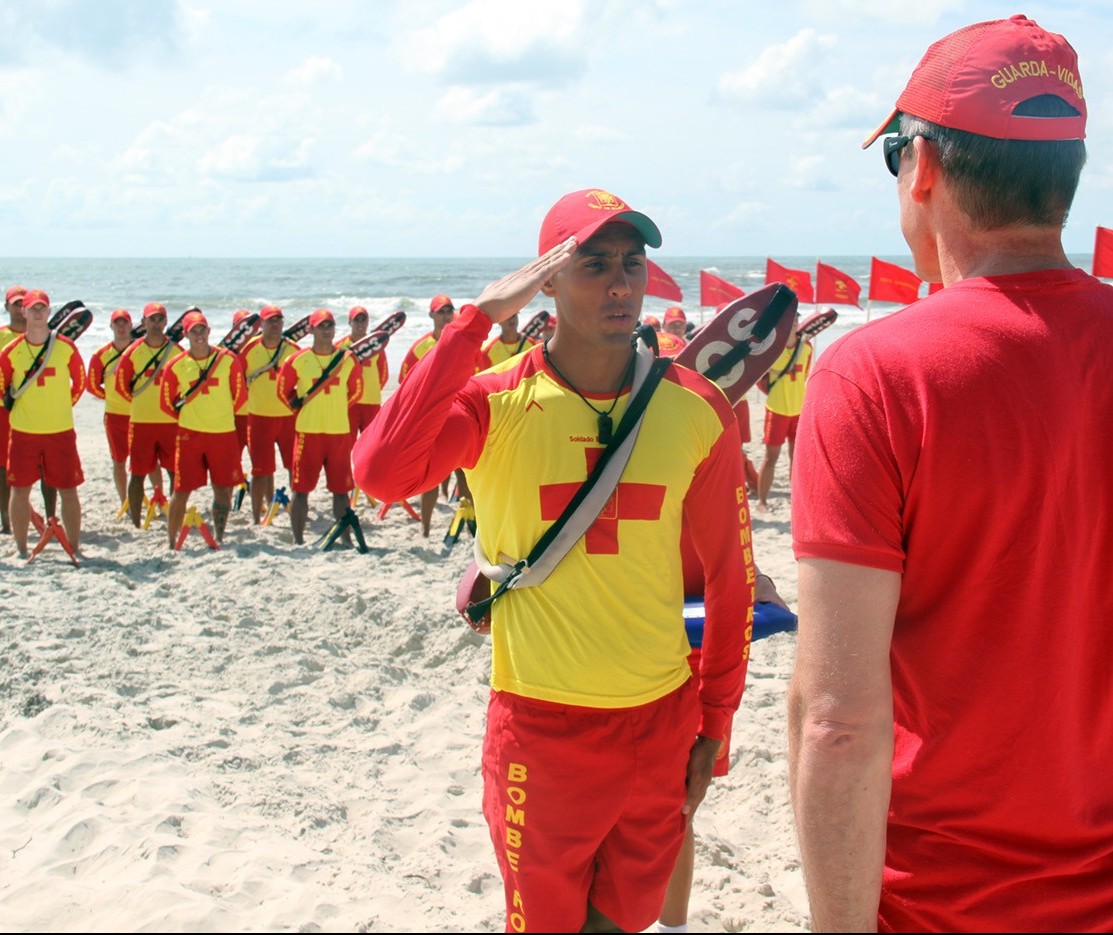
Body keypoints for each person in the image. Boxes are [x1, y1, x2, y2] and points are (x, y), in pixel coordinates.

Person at [352, 187, 753, 933]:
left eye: (631, 264)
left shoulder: (695, 406)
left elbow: (730, 580)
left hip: (660, 722)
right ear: (548, 281)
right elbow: (379, 471)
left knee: (622, 923)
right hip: (541, 729)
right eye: (593, 264)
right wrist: (477, 321)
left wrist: (714, 727)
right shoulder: (495, 402)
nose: (618, 284)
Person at [787, 16, 1113, 933]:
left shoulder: (878, 375)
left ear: (921, 164)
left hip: (938, 903)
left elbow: (837, 719)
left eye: (893, 154)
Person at [0, 290, 85, 559]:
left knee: (68, 490)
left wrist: (61, 405)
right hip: (23, 432)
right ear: (22, 312)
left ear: (49, 312)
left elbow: (79, 383)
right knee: (20, 490)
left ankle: (74, 546)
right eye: (32, 308)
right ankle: (22, 549)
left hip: (60, 431)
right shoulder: (11, 351)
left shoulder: (65, 347)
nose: (37, 313)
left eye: (42, 308)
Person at [159, 310, 248, 547]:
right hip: (191, 435)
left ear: (209, 331)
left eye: (203, 330)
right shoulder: (176, 365)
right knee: (181, 489)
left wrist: (220, 415)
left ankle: (219, 536)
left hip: (223, 434)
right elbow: (166, 403)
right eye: (193, 331)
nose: (199, 335)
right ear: (186, 334)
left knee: (223, 489)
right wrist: (190, 416)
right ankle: (172, 540)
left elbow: (239, 397)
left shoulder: (227, 359)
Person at [276, 308, 362, 546]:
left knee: (341, 491)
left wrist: (334, 407)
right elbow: (283, 392)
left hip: (338, 433)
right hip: (308, 432)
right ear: (311, 329)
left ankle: (345, 539)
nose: (326, 330)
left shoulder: (347, 359)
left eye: (330, 325)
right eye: (321, 326)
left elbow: (356, 392)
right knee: (301, 490)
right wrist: (304, 409)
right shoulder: (297, 360)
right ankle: (298, 539)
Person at [397, 293, 475, 537]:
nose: (445, 315)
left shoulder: (464, 342)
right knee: (430, 476)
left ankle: (473, 525)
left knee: (466, 475)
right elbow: (404, 381)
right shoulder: (420, 347)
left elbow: (480, 374)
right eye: (440, 311)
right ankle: (426, 529)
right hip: (431, 419)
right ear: (431, 315)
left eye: (449, 310)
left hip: (460, 417)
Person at [116, 302, 179, 528]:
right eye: (151, 319)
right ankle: (135, 521)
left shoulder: (176, 350)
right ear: (143, 322)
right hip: (141, 422)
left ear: (165, 322)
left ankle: (174, 515)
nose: (155, 324)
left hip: (170, 422)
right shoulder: (133, 352)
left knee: (174, 472)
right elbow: (123, 386)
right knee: (138, 474)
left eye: (159, 319)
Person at [239, 304, 298, 524]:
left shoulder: (293, 349)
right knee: (260, 470)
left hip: (288, 417)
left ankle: (297, 511)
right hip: (259, 418)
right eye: (270, 320)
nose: (274, 325)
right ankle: (256, 517)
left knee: (294, 467)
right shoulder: (249, 349)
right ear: (261, 324)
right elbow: (237, 380)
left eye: (278, 320)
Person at [754, 313, 810, 514]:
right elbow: (760, 378)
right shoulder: (772, 350)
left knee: (797, 458)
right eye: (789, 320)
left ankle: (797, 498)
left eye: (795, 320)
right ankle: (762, 501)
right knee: (771, 458)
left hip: (799, 410)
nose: (793, 323)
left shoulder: (807, 347)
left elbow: (804, 375)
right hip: (777, 410)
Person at [86, 308, 141, 508]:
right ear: (111, 326)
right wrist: (111, 397)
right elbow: (91, 385)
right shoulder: (101, 355)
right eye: (117, 323)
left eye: (125, 322)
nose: (121, 326)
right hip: (115, 415)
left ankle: (154, 500)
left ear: (131, 325)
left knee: (147, 462)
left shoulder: (141, 351)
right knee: (119, 461)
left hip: (141, 415)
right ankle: (124, 501)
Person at [336, 305, 389, 443]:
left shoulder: (376, 344)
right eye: (356, 320)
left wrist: (373, 389)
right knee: (347, 443)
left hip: (372, 402)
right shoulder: (340, 347)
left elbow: (383, 373)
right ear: (349, 322)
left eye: (363, 320)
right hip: (349, 403)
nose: (360, 323)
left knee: (372, 443)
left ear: (367, 322)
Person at [0, 284, 28, 533]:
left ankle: (48, 518)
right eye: (16, 304)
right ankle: (7, 522)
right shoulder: (1, 336)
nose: (20, 308)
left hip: (34, 411)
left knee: (38, 467)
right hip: (3, 410)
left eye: (24, 304)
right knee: (3, 467)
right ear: (6, 307)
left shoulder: (41, 336)